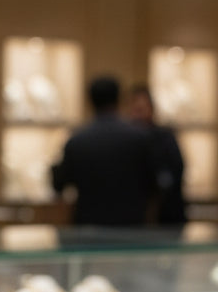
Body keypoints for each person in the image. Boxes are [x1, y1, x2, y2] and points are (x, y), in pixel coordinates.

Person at [51, 75, 156, 226]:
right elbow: (154, 184)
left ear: (90, 101)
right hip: (131, 227)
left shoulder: (77, 141)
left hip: (88, 228)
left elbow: (59, 184)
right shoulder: (140, 138)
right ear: (118, 99)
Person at [128, 84, 187, 225]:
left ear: (151, 109)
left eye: (142, 109)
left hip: (166, 216)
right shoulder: (127, 140)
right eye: (135, 110)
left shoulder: (165, 137)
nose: (138, 115)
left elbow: (175, 171)